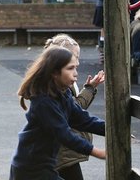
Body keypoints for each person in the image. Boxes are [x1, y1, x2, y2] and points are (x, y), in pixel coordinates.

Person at [10, 45, 106, 180]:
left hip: (45, 165)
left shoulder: (63, 93)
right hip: (30, 168)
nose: (76, 73)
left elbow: (82, 120)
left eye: (76, 68)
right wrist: (97, 152)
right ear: (54, 72)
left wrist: (112, 130)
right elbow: (63, 133)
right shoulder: (43, 101)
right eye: (70, 68)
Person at [46, 35, 105, 180]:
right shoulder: (49, 94)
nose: (77, 65)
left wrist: (112, 129)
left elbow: (79, 116)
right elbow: (66, 128)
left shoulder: (62, 87)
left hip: (59, 153)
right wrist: (96, 151)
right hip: (58, 153)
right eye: (72, 64)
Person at [91, 0, 104, 64]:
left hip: (100, 8)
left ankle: (102, 42)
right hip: (102, 8)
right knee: (103, 27)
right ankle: (102, 43)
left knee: (103, 27)